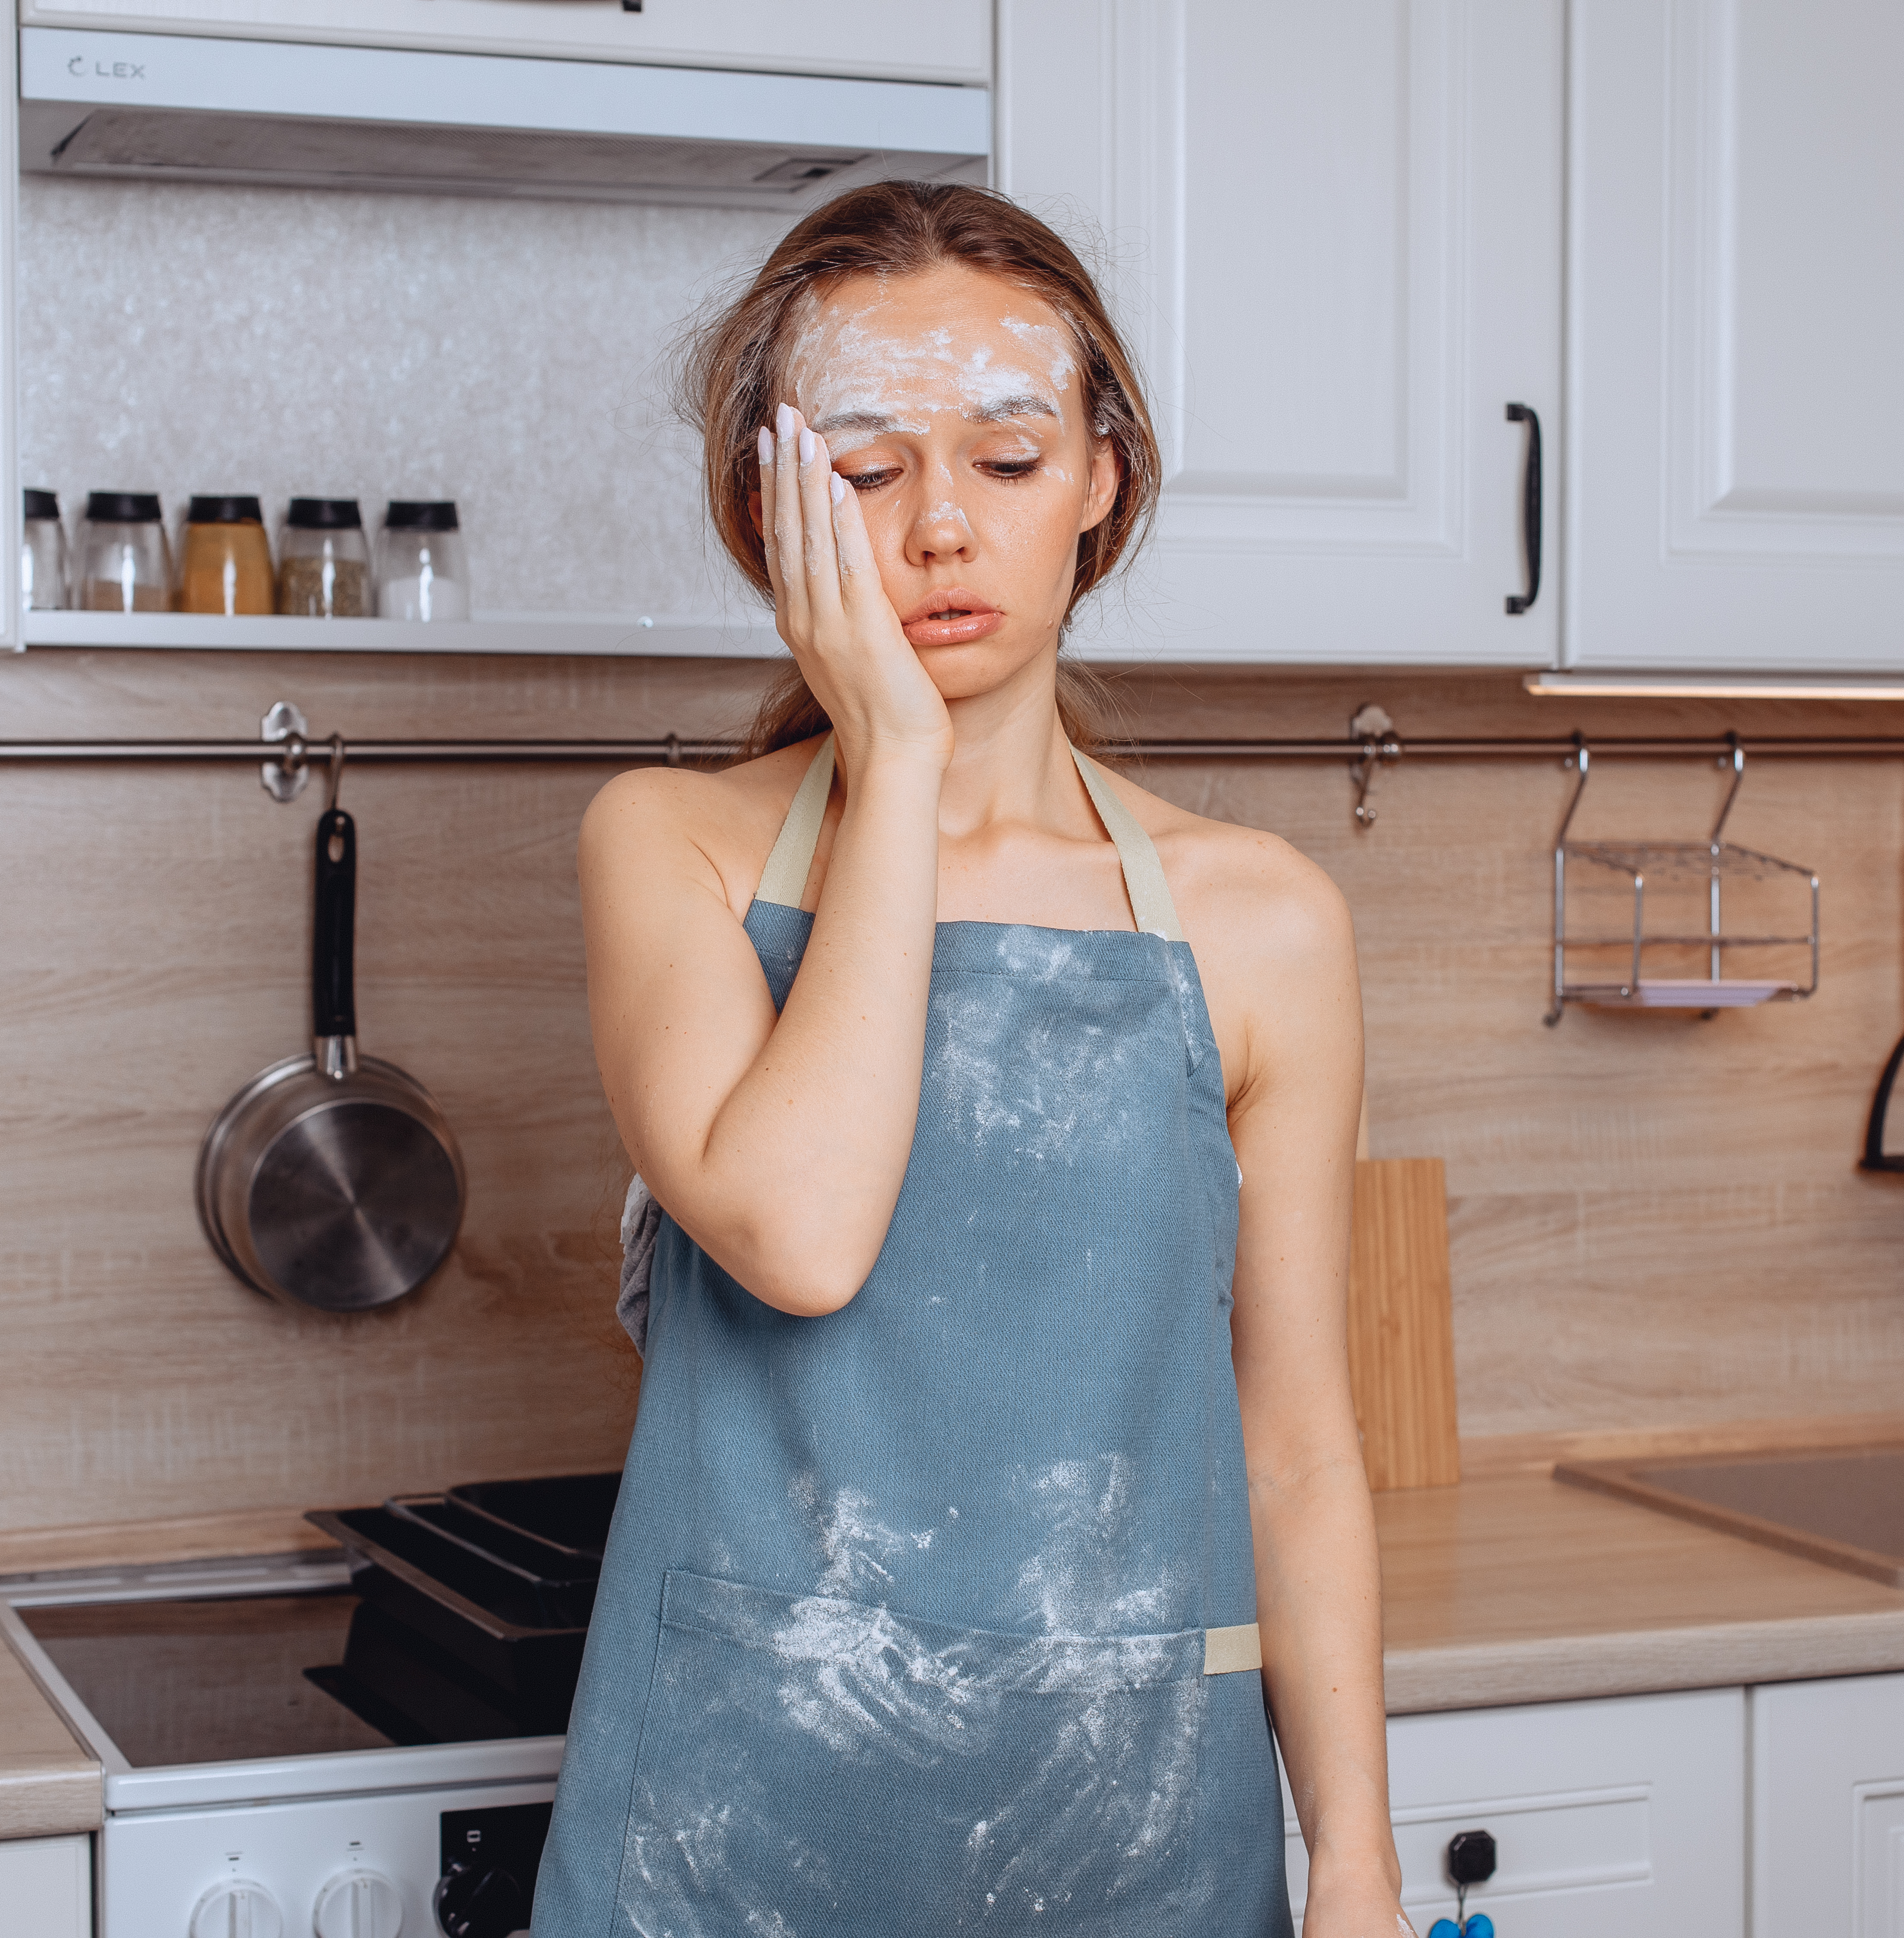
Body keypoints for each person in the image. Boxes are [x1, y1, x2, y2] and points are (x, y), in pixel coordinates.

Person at [538, 180, 1404, 1934]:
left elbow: (1298, 1444)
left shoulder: (1264, 925)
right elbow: (801, 1230)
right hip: (722, 1833)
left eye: (1008, 461)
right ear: (766, 508)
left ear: (1101, 482)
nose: (941, 528)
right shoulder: (671, 847)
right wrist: (901, 765)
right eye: (867, 472)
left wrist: (1360, 1866)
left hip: (1140, 1842)